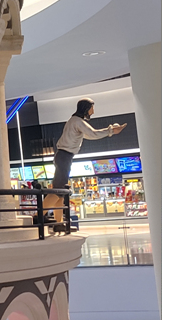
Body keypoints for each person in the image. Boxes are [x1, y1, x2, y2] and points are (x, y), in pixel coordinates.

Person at [43, 98, 127, 232]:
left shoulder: (74, 121)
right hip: (65, 156)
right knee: (58, 191)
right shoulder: (77, 121)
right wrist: (111, 131)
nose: (93, 111)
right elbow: (93, 134)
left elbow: (88, 134)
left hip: (63, 156)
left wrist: (109, 130)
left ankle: (58, 223)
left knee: (60, 192)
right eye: (92, 108)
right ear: (86, 108)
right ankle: (38, 216)